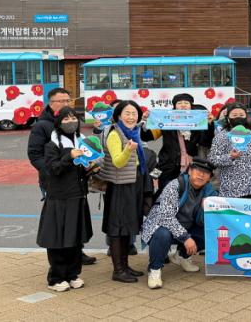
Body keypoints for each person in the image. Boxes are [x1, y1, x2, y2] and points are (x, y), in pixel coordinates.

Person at [27, 87, 96, 266]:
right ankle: (60, 265)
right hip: (54, 182)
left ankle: (76, 253)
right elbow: (35, 154)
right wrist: (51, 173)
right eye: (62, 101)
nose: (66, 104)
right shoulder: (42, 125)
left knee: (74, 219)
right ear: (51, 103)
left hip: (76, 183)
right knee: (58, 223)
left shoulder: (74, 124)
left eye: (68, 101)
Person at [36, 107, 93, 292]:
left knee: (75, 238)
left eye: (73, 118)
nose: (71, 122)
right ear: (59, 123)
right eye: (66, 119)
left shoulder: (82, 141)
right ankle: (56, 278)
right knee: (58, 239)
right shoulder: (52, 144)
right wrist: (69, 156)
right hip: (59, 198)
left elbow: (81, 170)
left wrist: (91, 168)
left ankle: (73, 274)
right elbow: (54, 168)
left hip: (78, 196)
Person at [141, 158, 218, 289]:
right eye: (198, 171)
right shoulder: (175, 185)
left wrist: (207, 209)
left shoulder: (209, 191)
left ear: (209, 178)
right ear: (190, 171)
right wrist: (186, 238)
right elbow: (166, 217)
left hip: (187, 225)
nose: (201, 175)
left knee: (210, 231)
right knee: (162, 234)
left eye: (206, 173)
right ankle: (154, 269)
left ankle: (182, 256)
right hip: (161, 225)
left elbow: (214, 218)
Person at [101, 100, 148, 282]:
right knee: (117, 227)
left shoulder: (134, 132)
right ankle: (118, 270)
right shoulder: (115, 134)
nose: (131, 117)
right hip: (119, 186)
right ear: (119, 116)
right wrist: (128, 150)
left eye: (134, 113)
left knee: (127, 226)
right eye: (127, 113)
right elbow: (118, 162)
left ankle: (125, 266)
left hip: (133, 183)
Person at [141, 93, 214, 193]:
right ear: (174, 107)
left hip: (191, 166)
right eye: (179, 103)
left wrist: (209, 124)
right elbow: (147, 137)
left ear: (191, 106)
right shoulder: (165, 120)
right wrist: (145, 122)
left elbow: (206, 142)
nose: (183, 105)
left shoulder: (198, 122)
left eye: (186, 103)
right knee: (164, 191)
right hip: (166, 164)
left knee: (187, 193)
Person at [208, 103, 251, 198]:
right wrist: (230, 157)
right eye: (234, 115)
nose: (238, 117)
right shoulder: (221, 137)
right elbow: (212, 159)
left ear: (246, 117)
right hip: (228, 190)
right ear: (228, 118)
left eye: (241, 115)